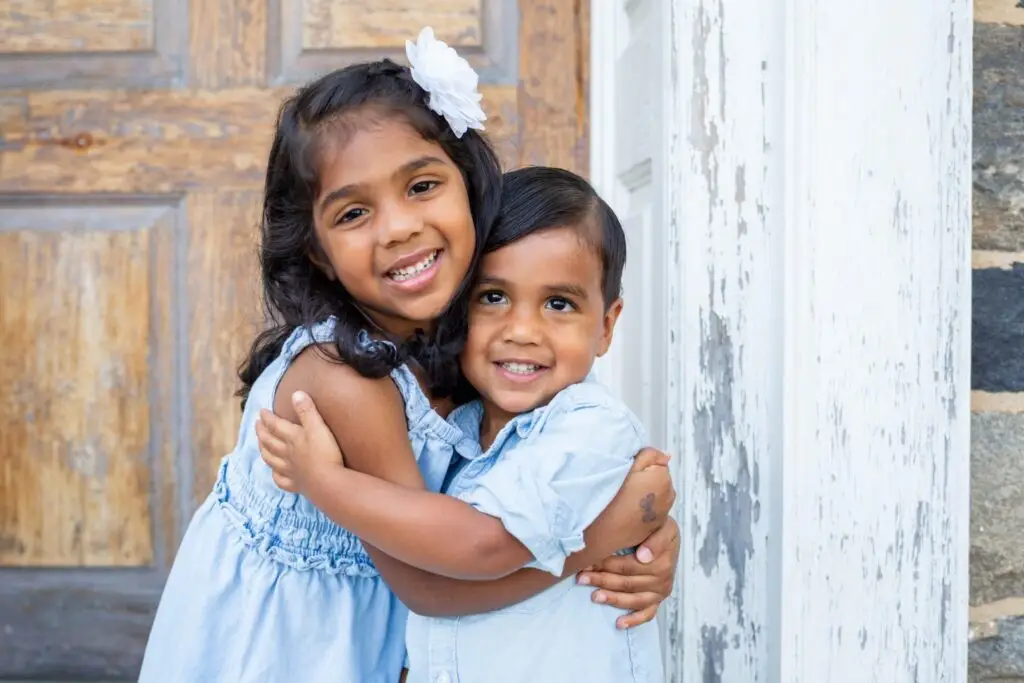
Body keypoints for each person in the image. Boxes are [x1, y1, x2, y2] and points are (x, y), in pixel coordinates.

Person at [139, 29, 678, 683]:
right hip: (291, 644)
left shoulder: (481, 341)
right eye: (354, 212)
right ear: (315, 252)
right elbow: (433, 583)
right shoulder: (341, 379)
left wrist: (644, 543)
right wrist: (602, 533)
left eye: (422, 185)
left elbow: (507, 499)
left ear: (470, 189)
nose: (397, 227)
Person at [257, 166, 669, 682]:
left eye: (558, 303)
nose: (522, 330)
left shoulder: (590, 429)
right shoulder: (456, 428)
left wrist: (324, 482)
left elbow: (483, 545)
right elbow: (434, 586)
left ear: (606, 326)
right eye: (493, 297)